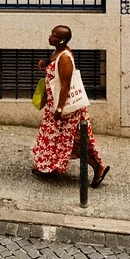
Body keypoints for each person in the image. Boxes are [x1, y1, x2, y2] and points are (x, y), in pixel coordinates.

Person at [32, 24, 109, 185]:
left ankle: (98, 167)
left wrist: (59, 109)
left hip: (66, 108)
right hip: (56, 105)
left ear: (62, 40)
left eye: (54, 35)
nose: (50, 36)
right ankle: (48, 167)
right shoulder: (58, 52)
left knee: (72, 142)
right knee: (56, 138)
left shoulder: (65, 57)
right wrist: (46, 63)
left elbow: (66, 85)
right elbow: (56, 69)